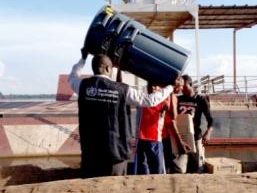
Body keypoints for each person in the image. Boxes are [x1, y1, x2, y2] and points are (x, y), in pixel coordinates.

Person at [68, 49, 178, 178]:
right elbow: (149, 100)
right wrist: (170, 87)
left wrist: (83, 59)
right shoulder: (122, 90)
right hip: (116, 154)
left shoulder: (83, 86)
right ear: (108, 69)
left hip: (90, 154)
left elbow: (72, 77)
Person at [177, 74, 213, 173]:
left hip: (196, 137)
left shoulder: (201, 100)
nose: (182, 89)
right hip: (182, 137)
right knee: (180, 168)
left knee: (198, 167)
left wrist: (208, 133)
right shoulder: (178, 99)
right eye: (181, 87)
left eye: (184, 86)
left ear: (191, 84)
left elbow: (210, 120)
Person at [134, 82, 170, 175]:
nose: (153, 87)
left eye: (155, 85)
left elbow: (173, 114)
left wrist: (170, 93)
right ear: (147, 86)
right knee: (142, 174)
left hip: (155, 141)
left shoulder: (163, 101)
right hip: (141, 141)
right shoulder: (142, 99)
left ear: (159, 87)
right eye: (151, 85)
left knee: (158, 174)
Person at [162, 85, 192, 174]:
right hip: (166, 137)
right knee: (174, 167)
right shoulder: (171, 98)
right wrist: (180, 141)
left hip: (165, 136)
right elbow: (172, 121)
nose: (182, 89)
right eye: (181, 86)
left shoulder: (169, 96)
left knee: (168, 166)